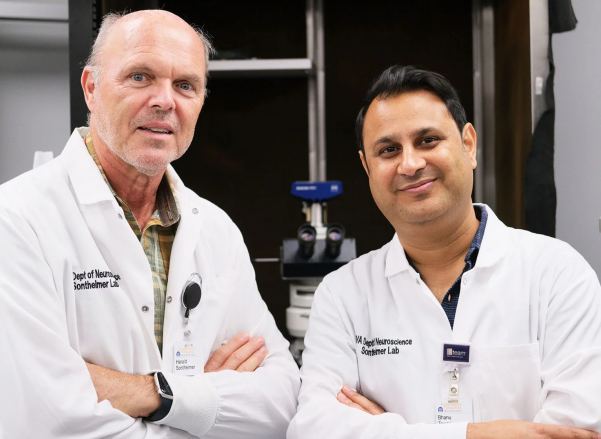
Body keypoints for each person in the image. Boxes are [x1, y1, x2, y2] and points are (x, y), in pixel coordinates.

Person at [0, 10, 299, 439]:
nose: (165, 101)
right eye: (140, 77)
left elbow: (281, 403)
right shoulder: (16, 220)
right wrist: (206, 407)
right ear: (91, 88)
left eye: (185, 85)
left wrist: (153, 395)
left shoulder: (215, 229)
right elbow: (47, 420)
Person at [287, 65, 601, 439]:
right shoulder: (342, 295)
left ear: (469, 145)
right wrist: (477, 434)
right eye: (389, 150)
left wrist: (381, 430)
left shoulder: (557, 274)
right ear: (366, 167)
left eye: (428, 140)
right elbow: (313, 429)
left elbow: (571, 431)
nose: (410, 164)